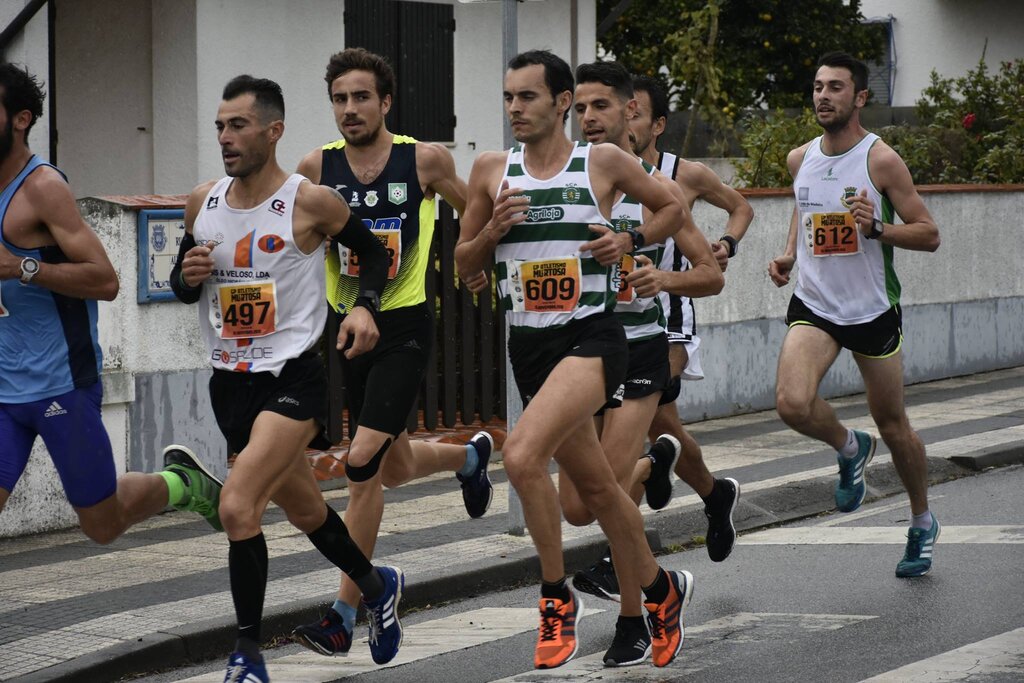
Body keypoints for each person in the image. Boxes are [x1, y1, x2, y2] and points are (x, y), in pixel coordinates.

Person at [455, 49, 692, 670]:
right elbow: (463, 262)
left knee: (521, 455)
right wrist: (490, 233)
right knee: (599, 491)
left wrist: (629, 238)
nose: (515, 108)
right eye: (508, 97)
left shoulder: (602, 161)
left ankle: (556, 598)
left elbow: (673, 208)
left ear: (561, 102)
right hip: (529, 345)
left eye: (527, 96)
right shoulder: (491, 170)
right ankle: (661, 591)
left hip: (592, 337)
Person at [170, 74, 404, 682]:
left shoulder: (310, 202)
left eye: (238, 125)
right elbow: (181, 283)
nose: (225, 137)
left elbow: (373, 252)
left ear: (273, 131)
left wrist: (364, 306)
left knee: (238, 506)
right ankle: (377, 586)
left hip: (293, 379)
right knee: (304, 510)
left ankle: (247, 655)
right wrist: (187, 276)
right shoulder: (202, 202)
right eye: (220, 126)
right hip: (230, 384)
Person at [289, 47, 495, 657]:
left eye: (361, 97)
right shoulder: (316, 167)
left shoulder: (424, 160)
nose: (349, 109)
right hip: (348, 330)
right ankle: (469, 458)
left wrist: (474, 257)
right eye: (339, 99)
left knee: (360, 466)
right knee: (395, 466)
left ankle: (347, 610)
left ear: (385, 102)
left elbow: (471, 210)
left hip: (404, 326)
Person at [0, 63, 221, 544]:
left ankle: (181, 484)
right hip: (3, 387)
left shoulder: (42, 189)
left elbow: (105, 280)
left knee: (101, 525)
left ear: (20, 119)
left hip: (60, 383)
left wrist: (22, 267)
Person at [558, 60, 723, 667]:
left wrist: (663, 278)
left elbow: (710, 275)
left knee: (608, 493)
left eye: (600, 106)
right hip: (581, 356)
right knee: (577, 507)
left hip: (639, 353)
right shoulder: (567, 182)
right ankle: (659, 461)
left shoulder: (658, 190)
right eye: (580, 107)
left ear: (630, 111)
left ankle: (634, 617)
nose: (588, 117)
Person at [768, 52, 941, 578]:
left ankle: (922, 519)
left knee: (893, 424)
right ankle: (849, 447)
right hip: (816, 304)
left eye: (836, 87)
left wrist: (878, 229)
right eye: (818, 86)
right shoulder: (800, 158)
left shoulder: (880, 160)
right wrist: (790, 253)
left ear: (860, 97)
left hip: (871, 310)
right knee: (791, 403)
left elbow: (929, 234)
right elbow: (804, 205)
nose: (823, 96)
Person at [626, 74, 753, 559]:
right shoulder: (601, 173)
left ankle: (619, 555)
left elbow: (740, 207)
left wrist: (726, 244)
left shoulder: (685, 175)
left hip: (670, 316)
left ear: (657, 124)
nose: (624, 121)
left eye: (635, 113)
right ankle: (715, 495)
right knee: (663, 427)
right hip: (619, 319)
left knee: (638, 419)